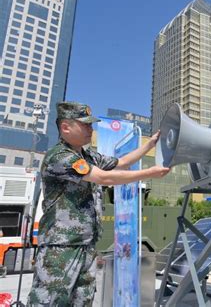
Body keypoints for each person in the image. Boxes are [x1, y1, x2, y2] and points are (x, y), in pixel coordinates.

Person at [27, 102, 171, 306]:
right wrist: (150, 173)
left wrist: (149, 145)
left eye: (90, 125)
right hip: (61, 247)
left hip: (86, 245)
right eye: (85, 125)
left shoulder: (87, 156)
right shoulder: (60, 157)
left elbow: (120, 163)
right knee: (50, 301)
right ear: (66, 127)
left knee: (83, 300)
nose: (90, 129)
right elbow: (105, 178)